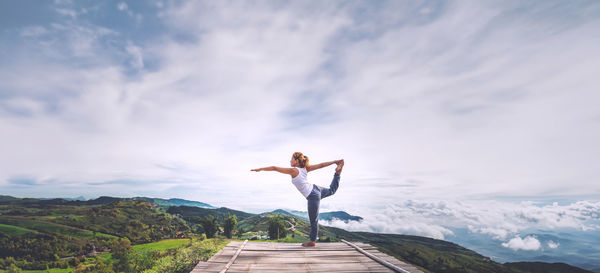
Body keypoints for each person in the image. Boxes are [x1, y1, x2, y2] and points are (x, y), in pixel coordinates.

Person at [251, 152, 344, 247]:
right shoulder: (305, 169)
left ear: (296, 161)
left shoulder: (294, 170)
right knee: (332, 190)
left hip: (312, 195)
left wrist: (260, 169)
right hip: (316, 189)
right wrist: (334, 162)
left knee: (313, 220)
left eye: (291, 159)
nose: (290, 161)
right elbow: (321, 165)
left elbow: (275, 168)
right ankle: (338, 173)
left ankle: (312, 241)